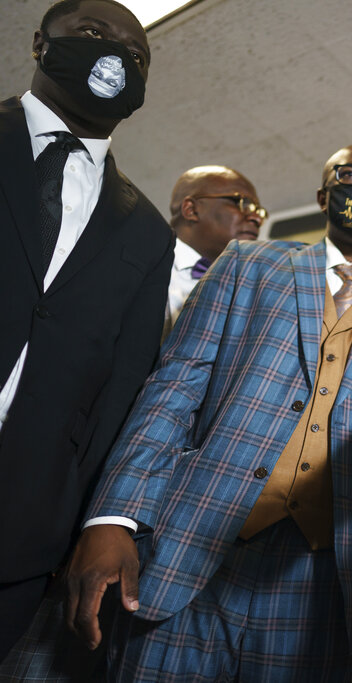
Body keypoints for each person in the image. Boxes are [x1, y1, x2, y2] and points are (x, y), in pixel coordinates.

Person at [62, 144, 352, 681]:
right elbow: (172, 392)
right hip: (192, 548)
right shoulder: (249, 265)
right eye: (351, 174)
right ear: (323, 196)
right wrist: (114, 516)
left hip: (329, 586)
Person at [0, 0, 172, 661]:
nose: (120, 55)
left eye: (139, 53)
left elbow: (121, 393)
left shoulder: (147, 232)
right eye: (95, 34)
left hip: (18, 539)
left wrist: (88, 523)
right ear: (41, 44)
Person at [164, 165, 265, 338]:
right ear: (191, 210)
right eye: (242, 203)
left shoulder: (251, 285)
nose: (256, 218)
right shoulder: (144, 260)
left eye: (258, 211)